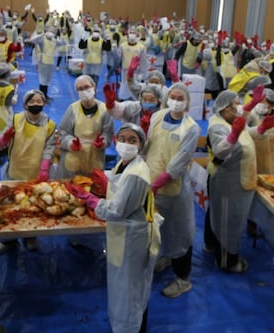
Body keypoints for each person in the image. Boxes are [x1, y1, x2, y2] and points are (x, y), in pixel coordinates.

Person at [67, 123, 159, 333]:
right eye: (122, 138)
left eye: (132, 140)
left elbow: (116, 211)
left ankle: (131, 328)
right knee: (122, 287)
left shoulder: (136, 173)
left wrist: (88, 198)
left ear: (141, 144)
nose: (126, 144)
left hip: (131, 237)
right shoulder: (124, 163)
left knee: (129, 290)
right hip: (121, 234)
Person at [144, 82, 200, 298]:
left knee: (179, 233)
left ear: (187, 103)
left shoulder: (191, 128)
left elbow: (181, 160)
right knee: (159, 228)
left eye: (180, 98)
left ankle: (183, 279)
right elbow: (149, 144)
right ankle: (166, 257)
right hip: (152, 182)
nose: (175, 100)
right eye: (173, 96)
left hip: (173, 187)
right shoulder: (159, 116)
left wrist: (160, 181)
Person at [0, 89, 56, 254]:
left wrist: (45, 167)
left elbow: (49, 148)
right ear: (25, 104)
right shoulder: (15, 119)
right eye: (32, 101)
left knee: (32, 206)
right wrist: (3, 139)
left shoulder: (50, 125)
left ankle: (30, 237)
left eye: (39, 101)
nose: (36, 104)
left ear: (44, 104)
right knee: (10, 206)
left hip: (35, 173)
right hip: (15, 170)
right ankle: (8, 240)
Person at [204, 90, 257, 272]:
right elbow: (220, 151)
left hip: (236, 178)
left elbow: (248, 132)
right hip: (227, 182)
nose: (239, 106)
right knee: (228, 221)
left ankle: (210, 245)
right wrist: (233, 136)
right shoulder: (218, 127)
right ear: (226, 108)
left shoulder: (232, 120)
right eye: (236, 103)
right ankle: (227, 262)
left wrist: (262, 129)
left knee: (217, 214)